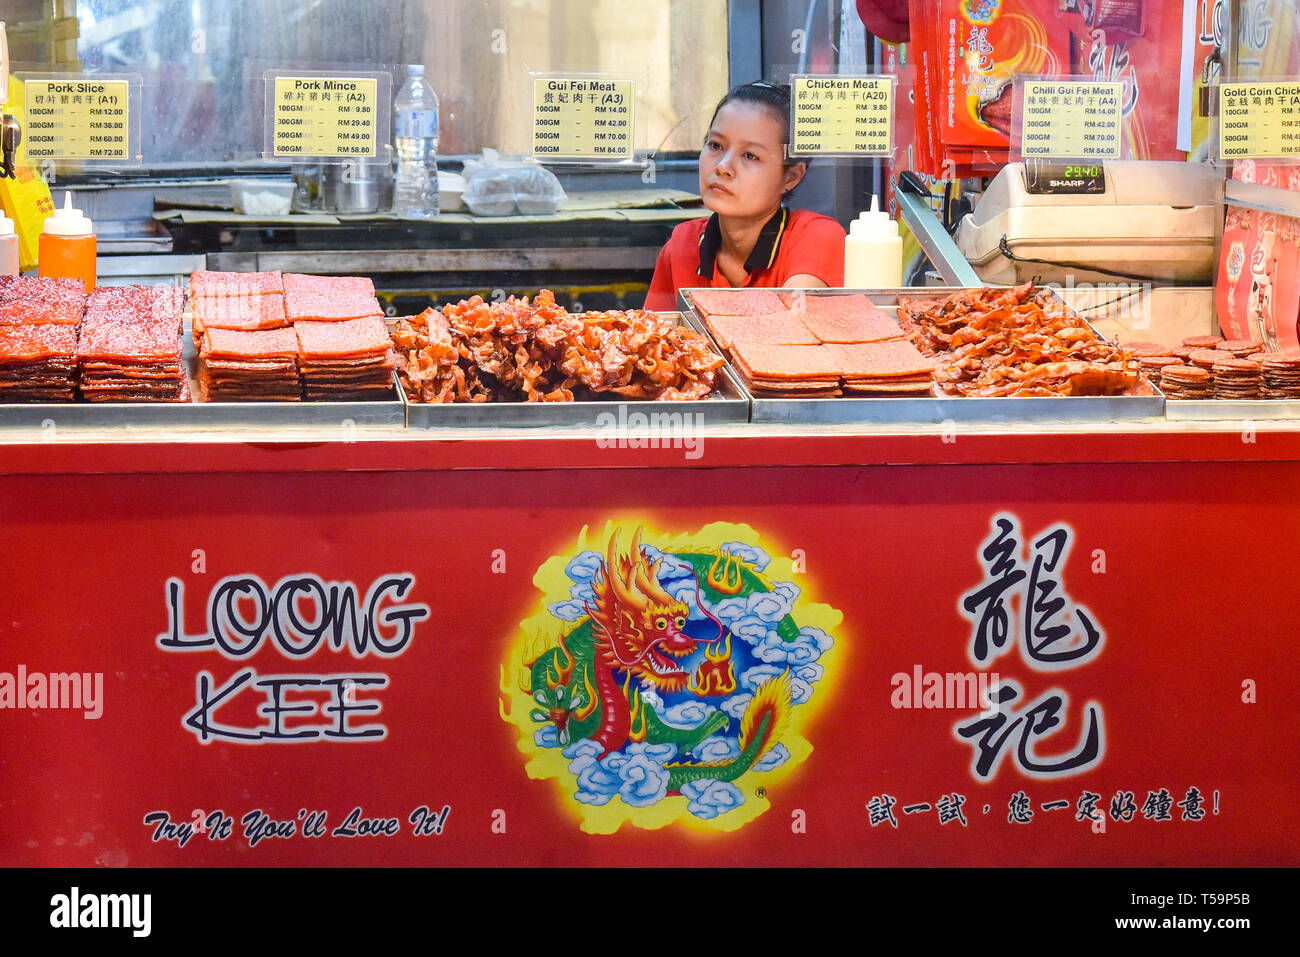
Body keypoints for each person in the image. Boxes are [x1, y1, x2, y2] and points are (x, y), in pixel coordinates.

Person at [643, 82, 846, 311]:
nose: (722, 167)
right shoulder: (682, 244)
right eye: (716, 145)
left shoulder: (817, 236)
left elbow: (789, 335)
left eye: (750, 155)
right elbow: (650, 340)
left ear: (792, 176)